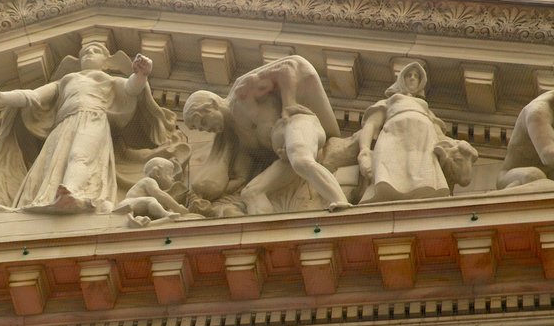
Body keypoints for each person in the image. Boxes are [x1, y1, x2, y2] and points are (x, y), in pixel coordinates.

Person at [0, 41, 180, 213]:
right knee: (54, 162)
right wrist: (1, 97)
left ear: (106, 61)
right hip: (64, 125)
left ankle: (74, 193)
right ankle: (48, 197)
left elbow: (131, 88)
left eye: (96, 51)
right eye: (85, 52)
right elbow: (33, 96)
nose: (89, 54)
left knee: (80, 156)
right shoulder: (66, 81)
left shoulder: (108, 79)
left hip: (93, 120)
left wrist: (141, 74)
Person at [183, 55, 351, 214]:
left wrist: (288, 103)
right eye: (202, 129)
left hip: (298, 125)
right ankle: (264, 237)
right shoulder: (240, 141)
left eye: (204, 122)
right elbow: (241, 178)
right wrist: (201, 197)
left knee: (301, 160)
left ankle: (341, 203)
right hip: (285, 157)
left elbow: (288, 67)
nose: (208, 130)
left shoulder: (242, 95)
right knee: (251, 192)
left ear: (212, 104)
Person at [357, 62, 467, 203]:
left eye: (416, 76)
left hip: (422, 144)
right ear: (402, 79)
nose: (412, 78)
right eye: (409, 75)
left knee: (423, 176)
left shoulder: (425, 109)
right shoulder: (390, 101)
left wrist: (454, 146)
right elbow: (371, 124)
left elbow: (439, 135)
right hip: (394, 139)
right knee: (388, 177)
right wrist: (364, 150)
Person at [497, 90, 554, 189]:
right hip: (511, 177)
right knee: (534, 176)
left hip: (549, 176)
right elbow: (549, 155)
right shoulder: (537, 111)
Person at [114, 157, 189, 227]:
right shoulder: (149, 181)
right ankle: (165, 214)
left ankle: (140, 219)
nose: (173, 178)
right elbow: (160, 195)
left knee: (155, 203)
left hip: (135, 207)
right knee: (151, 200)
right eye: (169, 174)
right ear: (157, 173)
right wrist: (177, 207)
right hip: (127, 205)